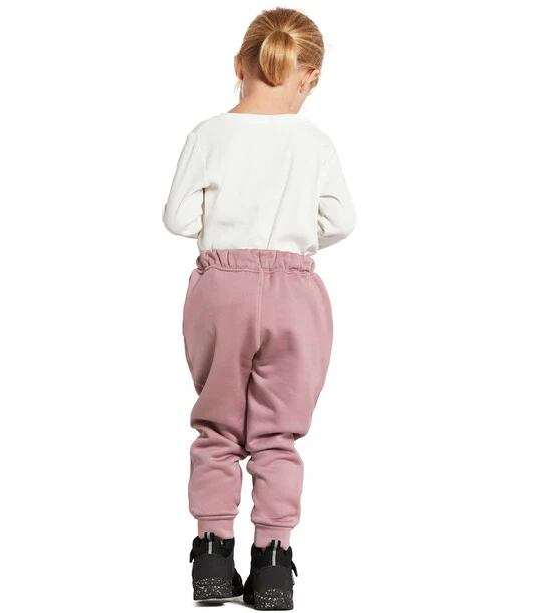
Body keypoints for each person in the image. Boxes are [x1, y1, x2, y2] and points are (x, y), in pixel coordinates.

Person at [162, 7, 356, 610]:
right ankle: (273, 567)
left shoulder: (208, 134)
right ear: (309, 77)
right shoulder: (314, 142)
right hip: (295, 291)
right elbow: (341, 221)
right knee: (279, 433)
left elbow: (177, 220)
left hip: (221, 286)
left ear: (238, 66)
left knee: (218, 424)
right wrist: (292, 239)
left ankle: (212, 558)